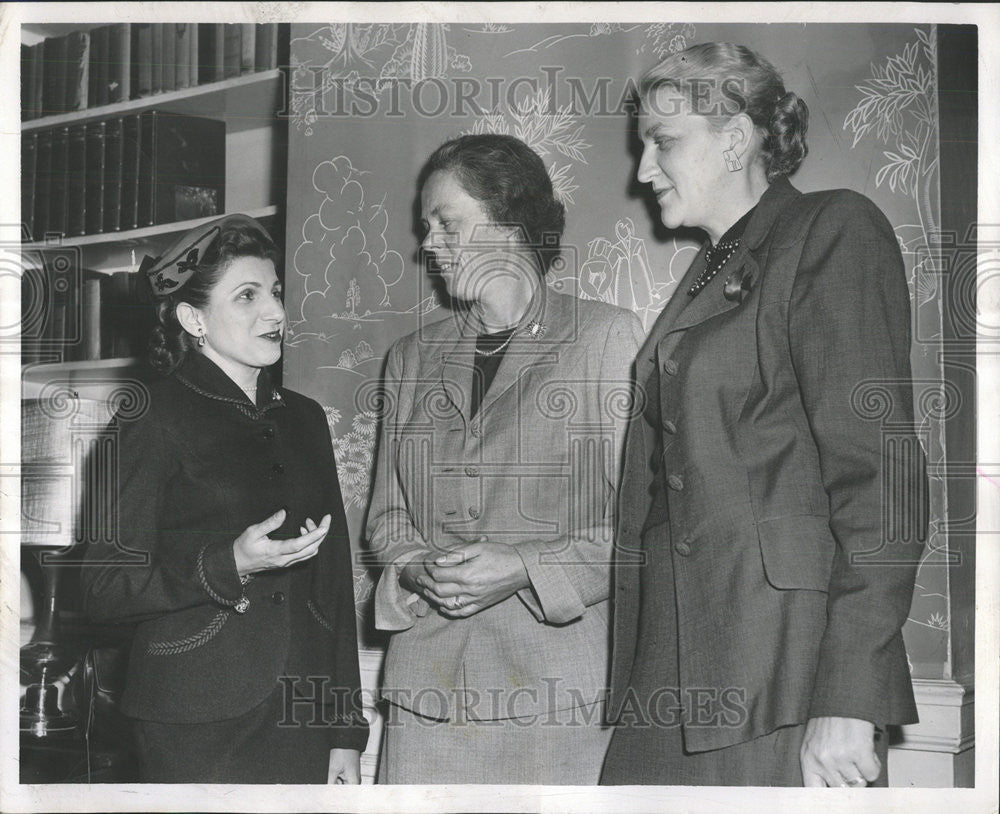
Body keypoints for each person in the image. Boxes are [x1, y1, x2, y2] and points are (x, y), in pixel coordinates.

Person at [601, 43, 925, 787]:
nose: (644, 170)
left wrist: (847, 696)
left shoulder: (829, 230)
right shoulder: (708, 271)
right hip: (672, 670)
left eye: (664, 141)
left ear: (737, 138)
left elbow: (884, 482)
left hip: (781, 669)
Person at [367, 134, 644, 784]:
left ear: (510, 226)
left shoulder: (606, 339)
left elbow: (647, 525)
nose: (428, 243)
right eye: (427, 226)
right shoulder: (408, 360)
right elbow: (387, 518)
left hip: (554, 701)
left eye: (448, 224)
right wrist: (414, 570)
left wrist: (524, 567)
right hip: (426, 698)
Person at [80, 214, 368, 783]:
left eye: (277, 293)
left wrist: (344, 733)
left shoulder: (306, 419)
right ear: (194, 318)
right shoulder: (151, 419)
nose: (277, 313)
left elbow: (332, 584)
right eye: (247, 296)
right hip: (193, 723)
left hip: (300, 717)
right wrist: (228, 562)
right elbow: (103, 586)